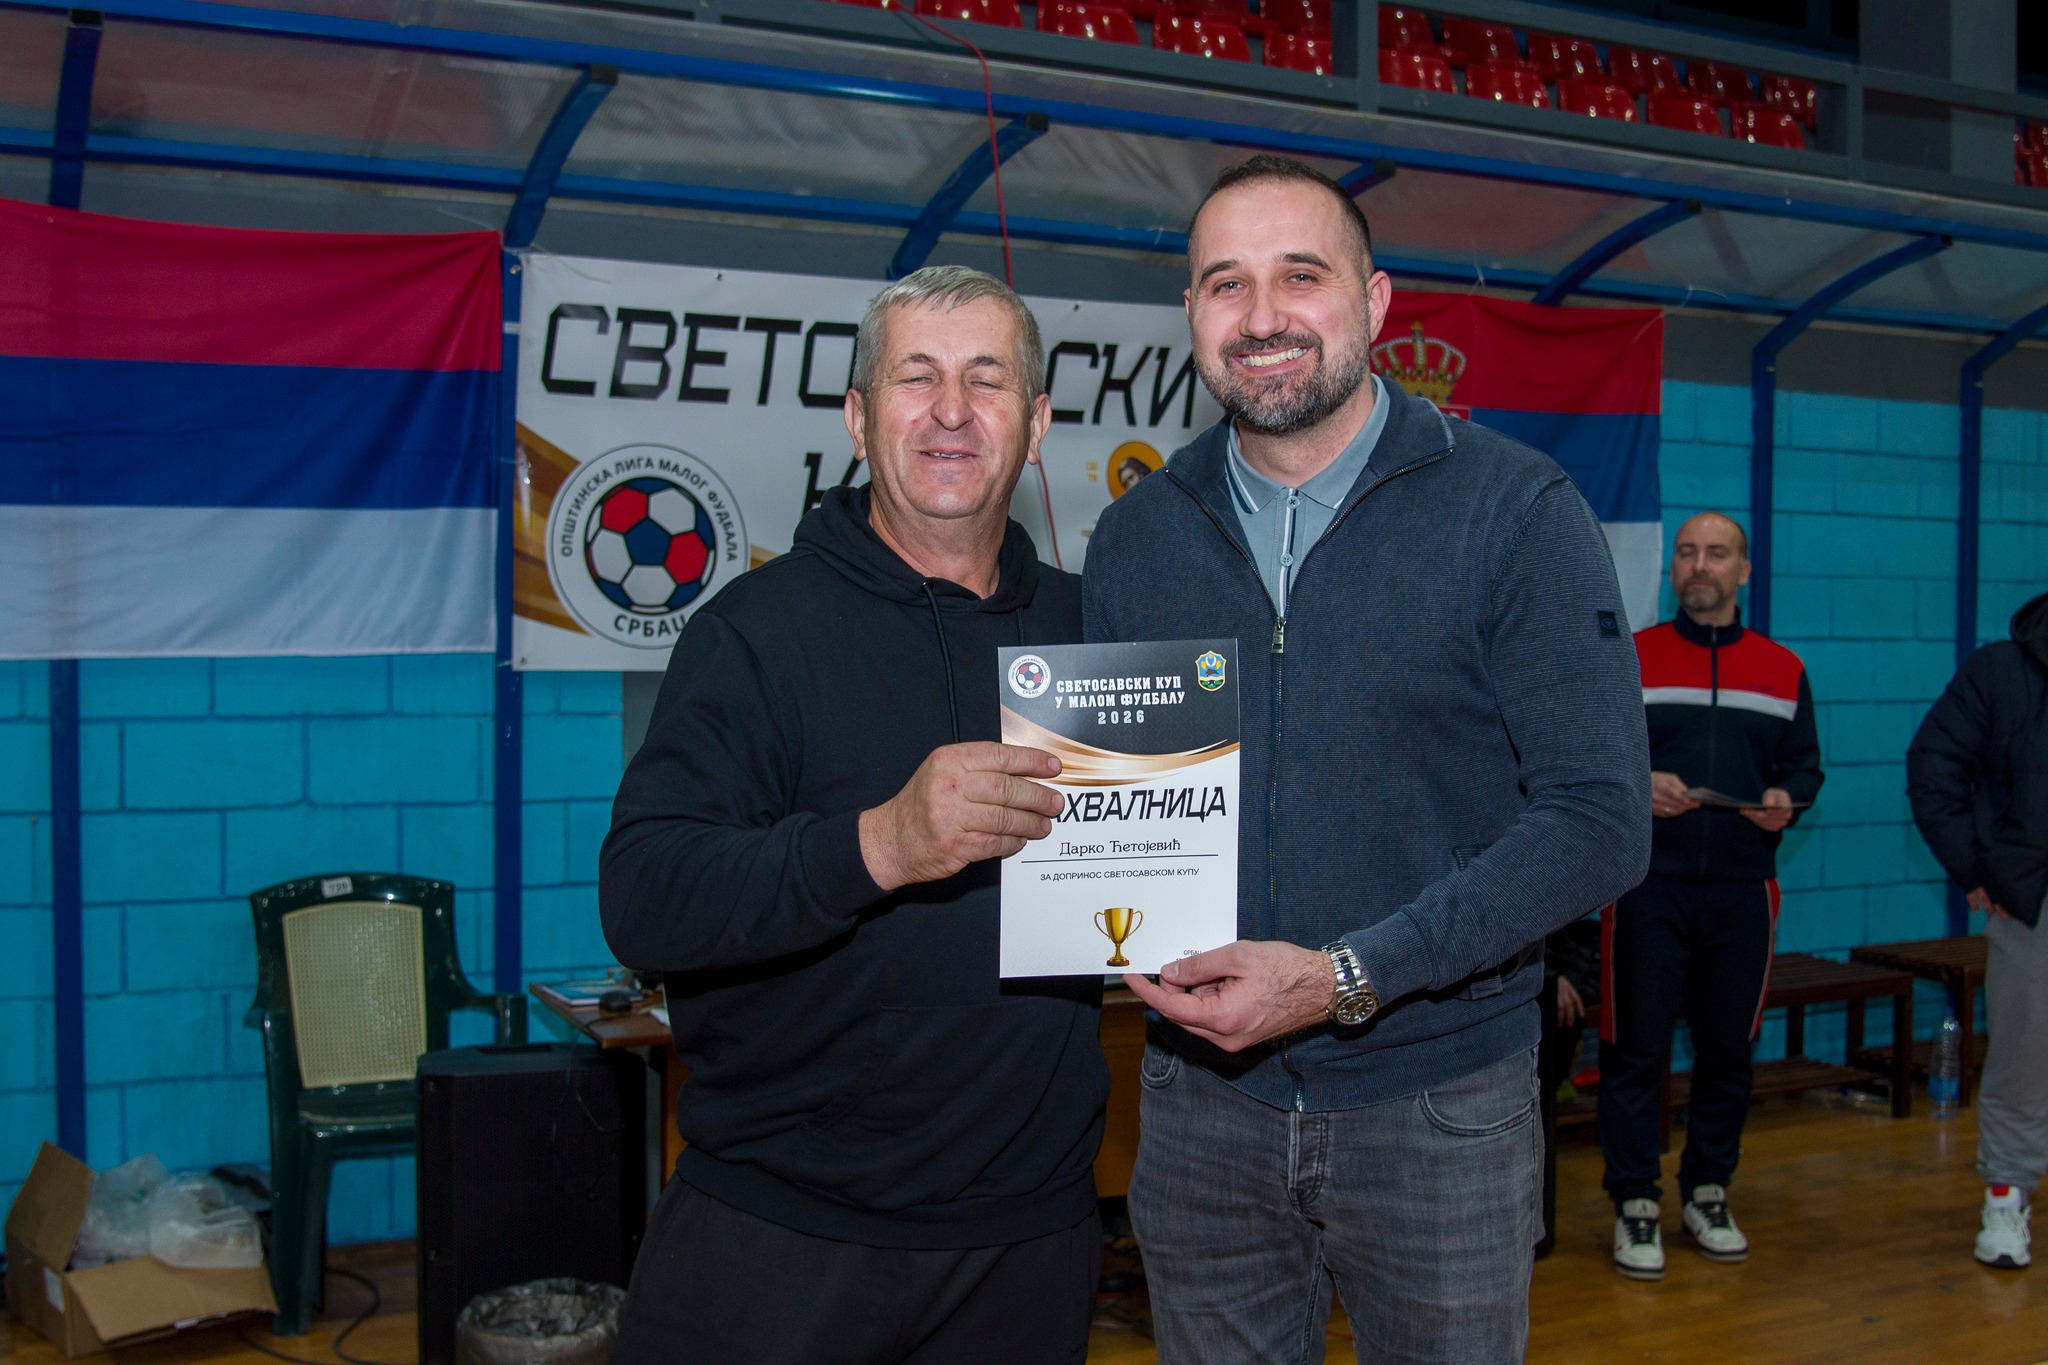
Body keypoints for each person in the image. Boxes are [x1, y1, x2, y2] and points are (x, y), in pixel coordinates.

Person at [1083, 154, 1651, 1365]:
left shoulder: (1514, 509)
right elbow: (1122, 808)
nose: (1262, 317)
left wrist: (1348, 976)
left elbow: (1599, 819)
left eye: (1300, 276)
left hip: (1437, 1106)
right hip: (1200, 1107)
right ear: (1190, 313)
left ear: (1376, 302)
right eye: (1225, 284)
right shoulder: (1136, 535)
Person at [599, 266, 1105, 1365]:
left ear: (1035, 426)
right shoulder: (753, 633)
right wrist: (882, 843)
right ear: (858, 416)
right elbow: (644, 897)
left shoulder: (1092, 634)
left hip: (1028, 1241)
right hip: (782, 1236)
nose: (951, 411)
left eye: (987, 381)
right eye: (916, 378)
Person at [1598, 510, 1824, 1280]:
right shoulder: (1633, 657)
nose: (1700, 565)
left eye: (1717, 553)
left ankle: (1708, 1189)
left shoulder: (1783, 669)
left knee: (1729, 1049)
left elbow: (1805, 768)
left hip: (1741, 892)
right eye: (1689, 552)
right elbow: (1595, 756)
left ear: (1743, 571)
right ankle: (1635, 1199)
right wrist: (1640, 781)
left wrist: (1787, 798)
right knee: (1636, 1048)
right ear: (1674, 570)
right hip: (1646, 886)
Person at [1907, 589, 2048, 1270]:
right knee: (2026, 1052)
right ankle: (2006, 1193)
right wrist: (1975, 865)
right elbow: (1932, 764)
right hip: (2032, 900)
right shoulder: (2001, 670)